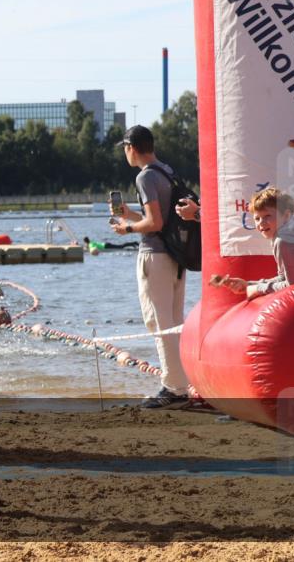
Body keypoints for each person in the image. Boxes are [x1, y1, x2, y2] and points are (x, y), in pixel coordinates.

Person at [112, 125, 190, 409]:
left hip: (154, 256)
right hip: (174, 256)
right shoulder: (166, 170)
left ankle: (173, 388)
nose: (125, 153)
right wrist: (130, 216)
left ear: (131, 147)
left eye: (125, 148)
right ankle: (181, 382)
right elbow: (160, 219)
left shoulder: (144, 177)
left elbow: (153, 224)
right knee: (174, 320)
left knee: (158, 322)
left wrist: (127, 228)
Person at [211, 187, 294, 299]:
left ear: (286, 216)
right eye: (257, 218)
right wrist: (249, 284)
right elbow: (284, 277)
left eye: (267, 216)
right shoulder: (291, 232)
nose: (261, 223)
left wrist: (257, 289)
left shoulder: (284, 240)